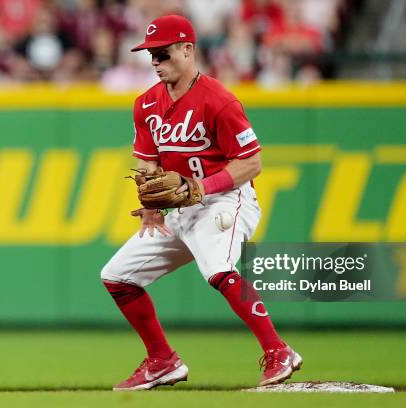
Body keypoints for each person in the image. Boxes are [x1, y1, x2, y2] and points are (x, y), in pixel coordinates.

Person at [100, 14, 302, 391]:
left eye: (162, 54)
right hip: (182, 208)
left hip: (227, 199)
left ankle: (279, 351)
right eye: (151, 56)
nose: (155, 62)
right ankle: (162, 360)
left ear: (187, 49)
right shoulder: (146, 104)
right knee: (117, 276)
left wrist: (201, 189)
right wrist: (151, 206)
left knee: (217, 269)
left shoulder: (220, 101)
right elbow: (148, 163)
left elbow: (252, 163)